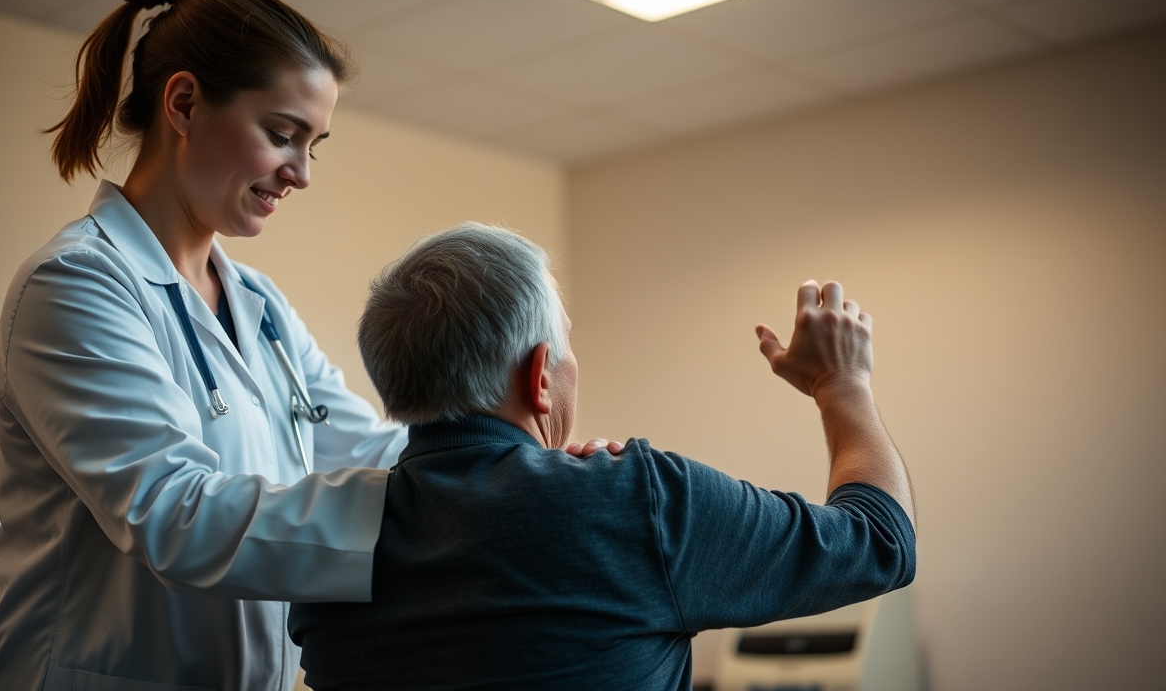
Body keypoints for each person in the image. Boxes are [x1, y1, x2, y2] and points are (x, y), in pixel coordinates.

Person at [0, 0, 411, 691]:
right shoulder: (75, 284)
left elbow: (368, 448)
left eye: (313, 146)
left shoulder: (261, 306)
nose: (301, 173)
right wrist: (455, 509)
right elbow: (175, 514)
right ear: (183, 104)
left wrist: (518, 465)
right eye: (282, 134)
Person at [290, 224, 918, 691]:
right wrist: (842, 383)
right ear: (541, 375)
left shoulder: (326, 541)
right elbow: (882, 541)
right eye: (567, 343)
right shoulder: (636, 499)